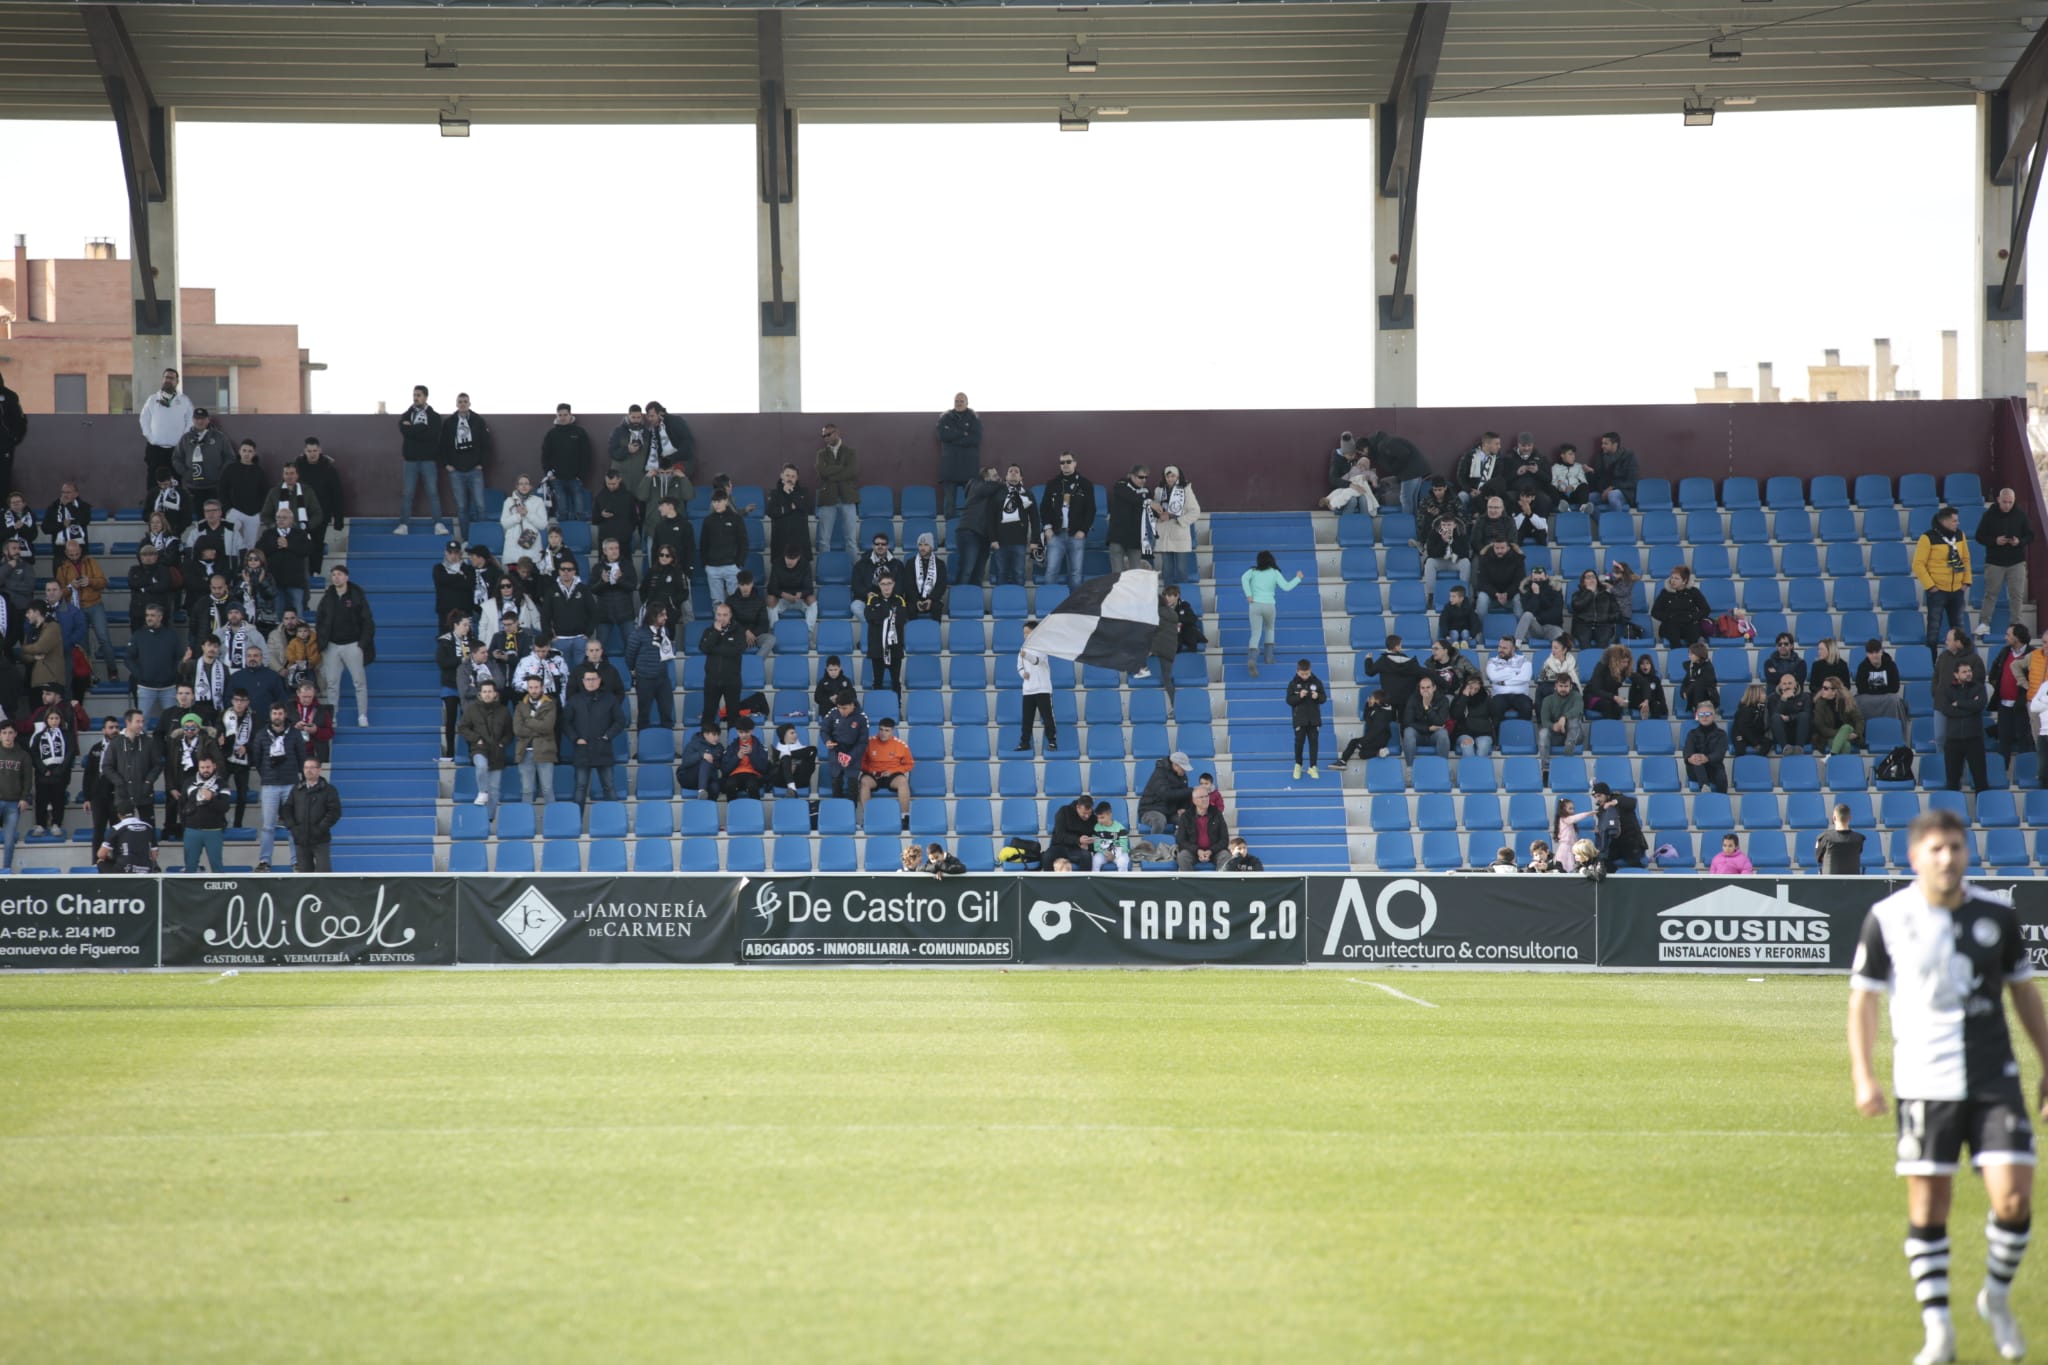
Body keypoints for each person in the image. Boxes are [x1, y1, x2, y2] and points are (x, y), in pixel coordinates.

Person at [1848, 808, 2048, 1365]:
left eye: (1956, 847)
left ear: (1966, 853)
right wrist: (1864, 1075)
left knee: (2013, 1199)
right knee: (1930, 1206)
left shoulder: (1997, 917)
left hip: (1994, 1078)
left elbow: (2025, 995)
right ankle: (1938, 1331)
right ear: (1915, 857)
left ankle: (1997, 1297)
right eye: (1935, 849)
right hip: (1922, 1082)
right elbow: (1862, 1000)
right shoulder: (1887, 918)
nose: (1947, 857)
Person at [316, 565, 375, 727]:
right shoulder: (328, 597)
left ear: (346, 577)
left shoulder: (356, 595)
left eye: (339, 574)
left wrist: (361, 644)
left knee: (359, 682)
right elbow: (320, 620)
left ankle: (362, 715)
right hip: (332, 646)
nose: (336, 577)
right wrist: (323, 643)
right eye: (333, 574)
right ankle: (332, 717)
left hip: (353, 645)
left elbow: (367, 621)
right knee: (332, 683)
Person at [1916, 505, 1976, 662]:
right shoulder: (1927, 537)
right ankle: (1932, 661)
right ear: (1944, 521)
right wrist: (1931, 586)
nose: (1958, 523)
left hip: (1957, 590)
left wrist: (1966, 582)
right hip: (1937, 591)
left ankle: (1962, 661)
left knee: (1959, 629)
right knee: (1934, 629)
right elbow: (1918, 564)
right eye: (1954, 520)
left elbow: (1966, 559)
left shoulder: (1960, 535)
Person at [251, 702, 305, 871]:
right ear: (270, 715)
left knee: (293, 824)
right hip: (270, 786)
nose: (277, 717)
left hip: (291, 784)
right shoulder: (261, 735)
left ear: (285, 715)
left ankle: (297, 861)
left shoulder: (295, 734)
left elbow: (301, 758)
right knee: (268, 826)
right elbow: (257, 760)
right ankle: (265, 861)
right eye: (274, 713)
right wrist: (268, 775)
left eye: (280, 713)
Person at [1978, 487, 2035, 637]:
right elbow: (1979, 536)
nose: (2007, 505)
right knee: (1991, 593)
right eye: (2005, 502)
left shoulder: (2021, 515)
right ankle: (1984, 623)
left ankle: (2015, 625)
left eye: (2010, 502)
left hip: (2016, 561)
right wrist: (1995, 541)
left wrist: (2019, 541)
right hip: (1995, 561)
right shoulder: (1989, 515)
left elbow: (2030, 535)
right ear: (1998, 499)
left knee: (2016, 594)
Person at [562, 669, 624, 805]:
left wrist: (608, 736)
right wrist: (575, 738)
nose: (591, 682)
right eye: (588, 679)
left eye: (593, 679)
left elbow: (620, 721)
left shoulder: (610, 699)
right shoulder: (575, 700)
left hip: (603, 748)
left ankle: (613, 821)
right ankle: (576, 822)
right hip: (582, 750)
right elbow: (565, 722)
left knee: (609, 786)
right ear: (583, 682)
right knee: (580, 787)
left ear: (599, 680)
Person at [457, 678, 512, 823]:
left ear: (495, 694)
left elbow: (509, 733)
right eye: (484, 692)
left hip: (497, 753)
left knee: (494, 791)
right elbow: (462, 727)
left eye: (490, 691)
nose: (487, 694)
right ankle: (482, 791)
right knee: (481, 766)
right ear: (480, 694)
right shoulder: (472, 709)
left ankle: (489, 819)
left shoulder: (504, 711)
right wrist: (476, 738)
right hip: (479, 749)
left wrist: (502, 743)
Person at [1240, 549, 1303, 676]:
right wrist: (1298, 578)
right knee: (1269, 629)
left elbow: (1243, 579)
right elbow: (1286, 587)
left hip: (1255, 605)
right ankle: (1268, 658)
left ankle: (1252, 659)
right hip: (1269, 605)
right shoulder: (1275, 573)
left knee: (1256, 633)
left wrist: (1249, 595)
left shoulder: (1252, 571)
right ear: (1271, 560)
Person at [394, 385, 446, 536]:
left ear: (426, 397)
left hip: (428, 461)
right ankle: (403, 525)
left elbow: (432, 436)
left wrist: (413, 430)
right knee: (407, 493)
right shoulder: (406, 415)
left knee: (433, 493)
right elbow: (404, 431)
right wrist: (422, 427)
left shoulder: (434, 417)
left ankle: (438, 524)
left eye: (419, 395)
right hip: (410, 461)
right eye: (414, 395)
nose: (416, 397)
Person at [278, 757, 341, 872]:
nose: (308, 770)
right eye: (306, 767)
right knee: (304, 876)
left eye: (312, 767)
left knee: (324, 872)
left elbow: (334, 812)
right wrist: (293, 828)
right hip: (300, 840)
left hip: (321, 839)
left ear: (319, 770)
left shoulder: (329, 790)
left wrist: (320, 828)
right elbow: (287, 809)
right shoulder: (296, 789)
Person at [539, 403, 594, 522]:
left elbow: (586, 455)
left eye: (565, 414)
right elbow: (545, 455)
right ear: (556, 416)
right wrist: (549, 473)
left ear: (570, 415)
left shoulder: (579, 432)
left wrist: (581, 475)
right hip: (557, 477)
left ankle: (580, 533)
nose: (562, 417)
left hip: (575, 477)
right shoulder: (551, 434)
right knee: (562, 509)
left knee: (579, 509)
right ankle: (561, 536)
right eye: (560, 415)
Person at [1941, 660, 1991, 793]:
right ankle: (1952, 813)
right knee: (1952, 781)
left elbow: (1979, 705)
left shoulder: (1979, 687)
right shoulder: (1947, 689)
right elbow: (1946, 710)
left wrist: (1958, 703)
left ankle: (1982, 810)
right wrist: (1969, 705)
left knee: (1980, 780)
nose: (1968, 674)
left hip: (1974, 738)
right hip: (1953, 740)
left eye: (1969, 671)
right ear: (1956, 675)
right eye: (1964, 672)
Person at [813, 423, 862, 554]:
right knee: (824, 540)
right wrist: (841, 468)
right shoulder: (821, 454)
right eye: (823, 436)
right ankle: (824, 571)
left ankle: (854, 573)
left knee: (851, 540)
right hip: (828, 498)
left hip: (848, 498)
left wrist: (831, 474)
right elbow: (822, 472)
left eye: (828, 434)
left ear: (836, 433)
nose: (826, 438)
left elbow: (852, 472)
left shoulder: (850, 452)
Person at [858, 717, 914, 831]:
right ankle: (869, 817)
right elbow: (861, 762)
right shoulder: (869, 742)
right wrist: (870, 770)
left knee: (903, 782)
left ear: (892, 731)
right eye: (881, 729)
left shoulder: (901, 745)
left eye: (887, 730)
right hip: (873, 774)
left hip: (892, 775)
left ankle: (905, 818)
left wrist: (893, 771)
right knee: (864, 782)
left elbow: (909, 764)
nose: (883, 733)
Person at [989, 465, 1041, 587]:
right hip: (1000, 542)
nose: (1013, 473)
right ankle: (1000, 603)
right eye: (1010, 471)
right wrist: (993, 539)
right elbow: (990, 518)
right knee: (1001, 573)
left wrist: (1034, 540)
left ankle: (1019, 601)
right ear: (1006, 476)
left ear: (1021, 477)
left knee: (1019, 573)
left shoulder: (1027, 494)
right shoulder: (998, 493)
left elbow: (1035, 519)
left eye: (1016, 471)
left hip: (1019, 542)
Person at [1150, 465, 1201, 589]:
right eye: (1167, 476)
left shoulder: (1185, 490)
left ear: (1178, 476)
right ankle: (1168, 600)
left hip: (1179, 535)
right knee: (1166, 570)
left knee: (1181, 570)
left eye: (1172, 475)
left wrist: (1175, 518)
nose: (1170, 478)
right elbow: (1155, 511)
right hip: (1163, 535)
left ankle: (1182, 598)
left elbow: (1195, 511)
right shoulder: (1159, 491)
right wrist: (1157, 515)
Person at [935, 394, 983, 525]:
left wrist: (954, 438)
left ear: (967, 403)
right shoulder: (945, 418)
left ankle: (970, 529)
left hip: (969, 468)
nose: (959, 403)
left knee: (971, 503)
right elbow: (942, 435)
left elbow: (975, 438)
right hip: (949, 468)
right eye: (956, 401)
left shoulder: (974, 419)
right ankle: (949, 533)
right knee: (949, 505)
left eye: (961, 401)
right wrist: (963, 433)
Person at [179, 751, 229, 872]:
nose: (205, 770)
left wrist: (211, 798)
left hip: (214, 830)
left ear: (214, 766)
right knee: (190, 866)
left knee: (216, 865)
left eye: (208, 767)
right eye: (202, 767)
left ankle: (219, 891)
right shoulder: (189, 782)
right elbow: (181, 805)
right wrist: (185, 825)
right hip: (192, 830)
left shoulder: (221, 784)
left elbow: (225, 807)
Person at [699, 486, 749, 608]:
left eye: (719, 501)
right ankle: (719, 626)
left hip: (731, 566)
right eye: (714, 502)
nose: (717, 504)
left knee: (735, 600)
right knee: (717, 602)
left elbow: (743, 541)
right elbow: (703, 543)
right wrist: (706, 563)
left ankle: (734, 626)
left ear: (726, 501)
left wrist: (739, 562)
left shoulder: (736, 518)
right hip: (713, 567)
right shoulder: (708, 520)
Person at [955, 467, 1002, 591]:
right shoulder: (977, 484)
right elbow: (991, 488)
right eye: (995, 475)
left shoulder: (992, 489)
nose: (998, 478)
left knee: (978, 574)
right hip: (970, 531)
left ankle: (973, 604)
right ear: (986, 478)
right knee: (967, 570)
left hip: (983, 535)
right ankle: (958, 602)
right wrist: (1003, 483)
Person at [1364, 430, 1431, 519]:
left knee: (1405, 499)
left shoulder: (1385, 444)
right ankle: (1414, 524)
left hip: (1410, 473)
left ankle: (1406, 523)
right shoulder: (1387, 442)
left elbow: (1404, 454)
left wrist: (1396, 469)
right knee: (1412, 500)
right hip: (1417, 472)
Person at [862, 572, 908, 697]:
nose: (886, 587)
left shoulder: (900, 600)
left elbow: (901, 620)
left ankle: (897, 707)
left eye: (889, 584)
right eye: (883, 584)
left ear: (894, 584)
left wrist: (880, 615)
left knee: (895, 682)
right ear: (879, 585)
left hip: (895, 648)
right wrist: (889, 614)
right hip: (877, 648)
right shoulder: (873, 599)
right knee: (877, 681)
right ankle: (878, 707)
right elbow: (869, 617)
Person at [1015, 619, 1056, 754]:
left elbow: (1037, 660)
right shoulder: (1022, 649)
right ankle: (1024, 742)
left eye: (1028, 632)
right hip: (1028, 690)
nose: (1025, 635)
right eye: (1024, 633)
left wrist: (1025, 655)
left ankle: (1052, 741)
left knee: (1047, 717)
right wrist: (1023, 674)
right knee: (1027, 718)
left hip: (1043, 688)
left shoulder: (1042, 647)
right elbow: (1019, 666)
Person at [821, 695, 869, 802]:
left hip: (853, 754)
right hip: (835, 751)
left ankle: (852, 814)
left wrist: (850, 757)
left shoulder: (861, 717)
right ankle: (838, 814)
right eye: (839, 708)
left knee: (852, 787)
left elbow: (863, 742)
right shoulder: (833, 712)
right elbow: (824, 730)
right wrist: (827, 741)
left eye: (845, 708)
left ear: (852, 705)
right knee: (836, 784)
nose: (841, 711)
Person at [1106, 466, 1153, 575]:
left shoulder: (1146, 492)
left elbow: (1151, 510)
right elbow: (1131, 497)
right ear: (1131, 475)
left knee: (1135, 573)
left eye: (1146, 477)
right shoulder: (1121, 485)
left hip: (1135, 538)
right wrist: (1148, 502)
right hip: (1118, 537)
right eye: (1141, 477)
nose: (1144, 480)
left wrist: (1162, 513)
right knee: (1117, 575)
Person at [1587, 432, 1640, 525]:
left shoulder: (1628, 456)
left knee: (1613, 495)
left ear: (1614, 444)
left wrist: (1612, 488)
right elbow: (1598, 479)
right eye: (1602, 443)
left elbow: (1632, 481)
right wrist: (1591, 473)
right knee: (1586, 499)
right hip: (1604, 492)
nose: (1602, 446)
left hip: (1624, 492)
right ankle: (1604, 524)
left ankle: (1618, 528)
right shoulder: (1600, 456)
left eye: (1605, 443)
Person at [1652, 565, 1711, 648]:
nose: (1673, 581)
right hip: (1671, 623)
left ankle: (1693, 658)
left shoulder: (1693, 592)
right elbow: (1655, 612)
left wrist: (1693, 617)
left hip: (1689, 622)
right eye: (1672, 578)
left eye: (1676, 578)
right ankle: (1676, 657)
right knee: (1673, 636)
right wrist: (1668, 617)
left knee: (1693, 635)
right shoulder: (1665, 593)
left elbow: (1705, 609)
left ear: (1684, 581)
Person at [1334, 690, 1397, 769]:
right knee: (1354, 742)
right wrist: (1368, 705)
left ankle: (1380, 751)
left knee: (1362, 754)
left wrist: (1362, 743)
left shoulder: (1382, 714)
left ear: (1378, 700)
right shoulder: (1376, 708)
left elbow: (1375, 731)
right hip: (1372, 737)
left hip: (1379, 739)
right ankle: (1343, 761)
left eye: (1372, 697)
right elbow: (1366, 718)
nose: (1369, 698)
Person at [1591, 782, 1646, 869]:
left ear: (1606, 794)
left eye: (1599, 795)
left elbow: (1632, 802)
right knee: (1601, 861)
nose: (1597, 799)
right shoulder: (1601, 810)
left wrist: (1614, 802)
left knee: (1635, 865)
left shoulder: (1619, 799)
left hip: (1631, 842)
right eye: (1595, 797)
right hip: (1616, 844)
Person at [1287, 658, 1325, 779]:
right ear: (1297, 671)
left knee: (1314, 743)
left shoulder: (1317, 682)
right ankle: (1298, 765)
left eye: (1307, 673)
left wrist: (1317, 696)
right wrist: (1299, 696)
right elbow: (1289, 700)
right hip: (1300, 719)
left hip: (1314, 719)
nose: (1304, 676)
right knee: (1299, 743)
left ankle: (1313, 767)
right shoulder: (1292, 684)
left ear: (1310, 670)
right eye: (1302, 674)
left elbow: (1324, 698)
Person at [1175, 786, 1229, 872]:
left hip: (1214, 851)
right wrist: (1197, 850)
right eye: (1201, 797)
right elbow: (1181, 840)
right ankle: (1189, 884)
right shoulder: (1186, 817)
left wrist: (1211, 851)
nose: (1205, 799)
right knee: (1182, 856)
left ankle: (1220, 884)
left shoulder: (1217, 814)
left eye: (1207, 796)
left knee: (1225, 855)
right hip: (1193, 852)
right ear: (1194, 801)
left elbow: (1224, 839)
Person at [1138, 751, 1193, 834]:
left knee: (1186, 820)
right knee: (1159, 820)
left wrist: (1183, 808)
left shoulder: (1182, 776)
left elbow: (1183, 796)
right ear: (1175, 765)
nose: (1185, 771)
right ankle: (1153, 845)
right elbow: (1166, 794)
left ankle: (1180, 844)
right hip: (1150, 810)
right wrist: (1191, 790)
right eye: (1183, 768)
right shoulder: (1159, 774)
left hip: (1170, 812)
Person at [1400, 674, 1452, 762]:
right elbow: (1407, 722)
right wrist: (1428, 728)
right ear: (1419, 689)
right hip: (1418, 735)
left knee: (1443, 733)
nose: (1425, 690)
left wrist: (1427, 707)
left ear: (1434, 688)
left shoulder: (1443, 700)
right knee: (1408, 731)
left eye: (1428, 687)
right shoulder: (1413, 699)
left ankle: (1443, 767)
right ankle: (1410, 768)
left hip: (1434, 736)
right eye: (1422, 688)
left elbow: (1440, 722)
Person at [500, 476, 549, 567]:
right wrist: (518, 516)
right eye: (521, 484)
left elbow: (543, 525)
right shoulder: (509, 501)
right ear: (517, 486)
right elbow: (504, 524)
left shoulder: (538, 501)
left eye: (526, 484)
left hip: (532, 549)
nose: (524, 486)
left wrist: (527, 514)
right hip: (513, 550)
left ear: (531, 487)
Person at [97, 803, 160, 874]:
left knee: (101, 861)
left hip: (125, 869)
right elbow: (154, 855)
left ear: (119, 815)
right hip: (146, 869)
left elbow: (101, 854)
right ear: (134, 813)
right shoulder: (149, 827)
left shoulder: (117, 828)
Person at [1538, 676, 1586, 768]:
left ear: (1571, 687)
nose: (1563, 689)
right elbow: (1544, 721)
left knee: (1573, 721)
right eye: (1561, 686)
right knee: (1543, 732)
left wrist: (1564, 718)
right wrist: (1554, 726)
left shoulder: (1576, 696)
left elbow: (1578, 710)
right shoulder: (1547, 700)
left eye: (1566, 686)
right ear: (1555, 686)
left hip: (1575, 736)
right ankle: (1545, 766)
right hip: (1556, 735)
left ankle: (1567, 761)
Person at [1682, 704, 1731, 793]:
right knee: (1697, 759)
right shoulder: (1692, 733)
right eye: (1701, 714)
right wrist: (1690, 758)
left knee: (1721, 778)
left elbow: (1719, 753)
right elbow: (1687, 751)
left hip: (1714, 767)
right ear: (1697, 716)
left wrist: (1707, 758)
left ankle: (1722, 801)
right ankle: (1705, 787)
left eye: (1707, 714)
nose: (1704, 717)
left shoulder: (1721, 734)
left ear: (1714, 715)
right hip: (1696, 769)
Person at [1813, 676, 1866, 755]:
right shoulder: (1820, 704)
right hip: (1828, 736)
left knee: (1846, 727)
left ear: (1834, 691)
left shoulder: (1846, 702)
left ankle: (1831, 757)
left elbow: (1859, 720)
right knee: (1846, 746)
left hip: (1849, 735)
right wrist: (1842, 733)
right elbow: (1821, 727)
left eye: (1826, 688)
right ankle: (1836, 759)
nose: (1822, 690)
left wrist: (1856, 733)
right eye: (1823, 687)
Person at [1569, 569, 1622, 649]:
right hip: (1583, 626)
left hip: (1603, 626)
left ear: (1597, 580)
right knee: (1584, 645)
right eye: (1588, 577)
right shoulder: (1577, 594)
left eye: (1593, 577)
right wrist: (1589, 592)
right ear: (1583, 582)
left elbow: (1617, 614)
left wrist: (1605, 618)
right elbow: (1576, 606)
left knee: (1602, 645)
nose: (1591, 579)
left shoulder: (1607, 595)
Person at [721, 718, 771, 800]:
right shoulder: (732, 747)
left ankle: (756, 811)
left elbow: (763, 768)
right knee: (729, 785)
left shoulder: (759, 747)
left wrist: (752, 754)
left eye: (747, 732)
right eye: (741, 732)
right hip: (735, 774)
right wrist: (737, 757)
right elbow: (725, 770)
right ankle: (733, 811)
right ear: (737, 732)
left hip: (753, 775)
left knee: (752, 786)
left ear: (752, 731)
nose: (744, 735)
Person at [1449, 675, 1497, 758]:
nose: (1473, 691)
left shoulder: (1486, 699)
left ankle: (1478, 771)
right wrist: (1464, 697)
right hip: (1464, 733)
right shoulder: (1459, 698)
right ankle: (1470, 770)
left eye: (1476, 689)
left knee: (1483, 748)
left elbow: (1495, 719)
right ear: (1465, 686)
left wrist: (1496, 741)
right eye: (1470, 687)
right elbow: (1455, 715)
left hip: (1484, 733)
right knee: (1467, 745)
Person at [1047, 794, 1098, 871]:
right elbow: (1059, 835)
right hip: (1060, 846)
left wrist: (1088, 847)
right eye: (1084, 813)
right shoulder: (1064, 811)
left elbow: (1096, 839)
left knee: (1086, 856)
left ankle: (1084, 882)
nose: (1087, 816)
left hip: (1078, 849)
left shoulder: (1093, 819)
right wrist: (1078, 840)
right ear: (1078, 807)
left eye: (1089, 813)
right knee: (1047, 857)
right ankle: (1049, 882)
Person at [904, 535, 948, 622]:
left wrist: (930, 599)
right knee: (910, 608)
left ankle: (934, 634)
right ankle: (913, 634)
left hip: (932, 599)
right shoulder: (910, 563)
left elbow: (941, 585)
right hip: (914, 599)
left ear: (931, 547)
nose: (922, 548)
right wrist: (916, 600)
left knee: (937, 608)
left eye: (926, 545)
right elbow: (908, 584)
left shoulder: (939, 564)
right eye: (920, 545)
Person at [1815, 803, 1867, 874]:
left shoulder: (1824, 838)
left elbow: (1819, 859)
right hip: (1852, 884)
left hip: (1829, 883)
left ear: (1834, 818)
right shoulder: (1858, 839)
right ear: (1850, 818)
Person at [1453, 432, 1500, 510]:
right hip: (1469, 491)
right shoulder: (1469, 456)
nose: (1499, 446)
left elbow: (1497, 479)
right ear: (1486, 444)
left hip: (1486, 493)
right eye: (1496, 444)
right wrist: (1469, 490)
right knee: (1462, 496)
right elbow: (1460, 476)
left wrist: (1484, 492)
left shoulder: (1498, 460)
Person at [1770, 671, 1813, 754]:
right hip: (1782, 734)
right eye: (1784, 684)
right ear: (1780, 685)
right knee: (1775, 717)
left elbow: (1808, 715)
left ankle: (1799, 748)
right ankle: (1785, 748)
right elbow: (1774, 715)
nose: (1787, 686)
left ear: (1795, 684)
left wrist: (1790, 718)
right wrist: (1783, 699)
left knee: (1804, 715)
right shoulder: (1773, 698)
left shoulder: (1805, 697)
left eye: (1790, 683)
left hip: (1800, 732)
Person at [771, 724, 817, 797]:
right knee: (785, 758)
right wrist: (788, 761)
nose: (795, 735)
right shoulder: (778, 750)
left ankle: (792, 789)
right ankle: (791, 787)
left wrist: (790, 755)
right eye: (792, 733)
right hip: (782, 781)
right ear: (784, 735)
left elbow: (813, 750)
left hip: (800, 780)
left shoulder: (804, 749)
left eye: (795, 732)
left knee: (811, 752)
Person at [1730, 681, 1772, 757]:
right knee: (1740, 749)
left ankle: (1758, 761)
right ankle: (1740, 765)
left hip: (1753, 734)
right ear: (1756, 695)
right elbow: (1744, 729)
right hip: (1741, 734)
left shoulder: (1761, 707)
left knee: (1768, 743)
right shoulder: (1745, 710)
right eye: (1763, 693)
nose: (1765, 695)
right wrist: (1755, 743)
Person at [1089, 801, 1132, 872]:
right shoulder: (1096, 828)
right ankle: (1095, 882)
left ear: (1110, 815)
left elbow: (1124, 847)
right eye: (1098, 818)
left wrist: (1114, 854)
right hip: (1104, 853)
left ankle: (1121, 882)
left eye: (1102, 818)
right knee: (1096, 860)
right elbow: (1096, 847)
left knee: (1123, 861)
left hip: (1119, 853)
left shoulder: (1120, 828)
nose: (1099, 821)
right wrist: (1105, 853)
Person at [1627, 652, 1668, 721]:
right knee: (1646, 707)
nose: (1645, 666)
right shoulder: (1636, 679)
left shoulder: (1656, 679)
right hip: (1640, 704)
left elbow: (1661, 696)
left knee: (1656, 705)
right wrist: (1643, 704)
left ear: (1651, 665)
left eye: (1647, 663)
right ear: (1639, 666)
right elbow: (1632, 698)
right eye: (1642, 664)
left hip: (1654, 704)